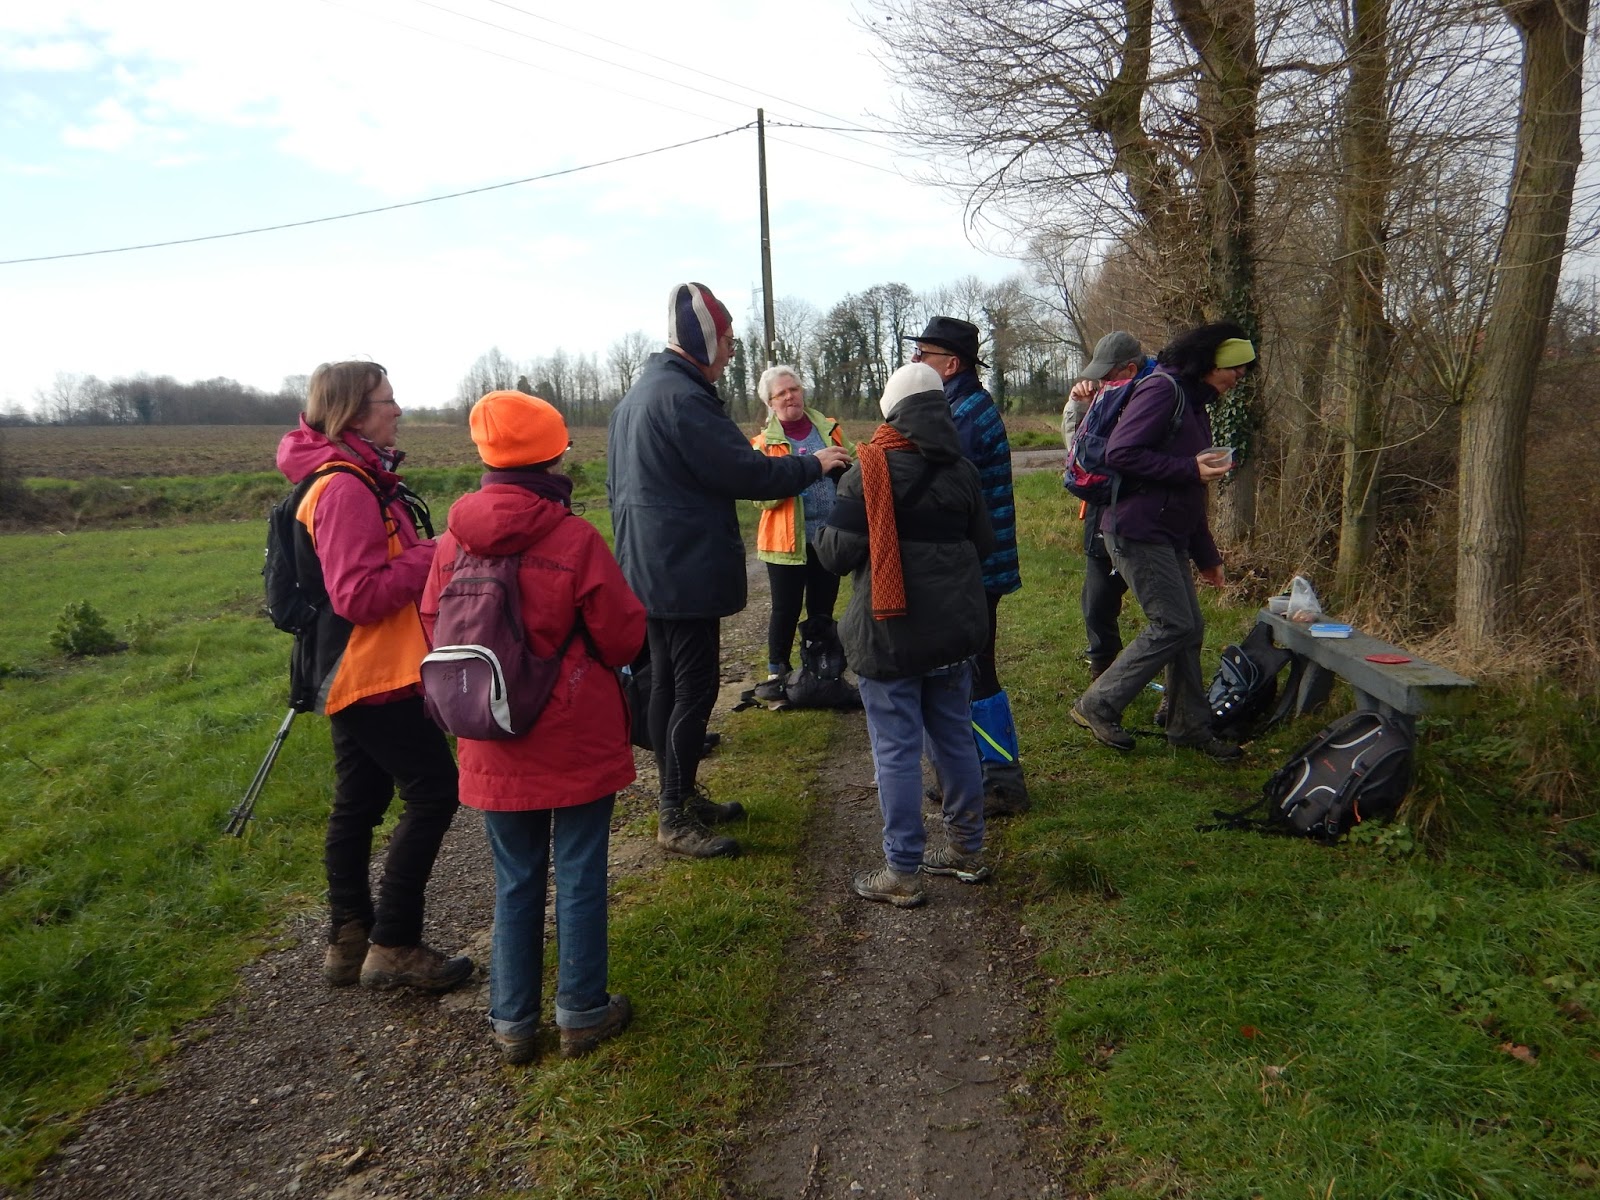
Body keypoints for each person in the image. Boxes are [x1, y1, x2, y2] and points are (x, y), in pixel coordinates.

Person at [421, 390, 645, 1065]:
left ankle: (513, 1022)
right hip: (574, 734)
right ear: (552, 456)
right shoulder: (574, 538)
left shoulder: (450, 542)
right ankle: (581, 1011)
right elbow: (623, 636)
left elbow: (432, 626)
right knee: (579, 872)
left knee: (515, 879)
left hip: (491, 734)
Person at [607, 283, 852, 859]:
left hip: (647, 567)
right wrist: (812, 463)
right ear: (705, 339)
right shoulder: (685, 400)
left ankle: (681, 794)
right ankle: (674, 813)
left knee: (666, 683)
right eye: (728, 340)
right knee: (693, 688)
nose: (732, 351)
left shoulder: (639, 395)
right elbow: (746, 473)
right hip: (682, 569)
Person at [275, 360, 471, 993]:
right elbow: (358, 596)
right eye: (388, 401)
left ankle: (349, 941)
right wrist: (433, 553)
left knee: (358, 803)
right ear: (354, 415)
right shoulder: (344, 488)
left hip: (355, 669)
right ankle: (394, 944)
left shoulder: (349, 477)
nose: (398, 410)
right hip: (371, 670)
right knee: (434, 791)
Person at [817, 363, 996, 907]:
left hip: (889, 635)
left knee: (895, 750)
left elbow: (835, 555)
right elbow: (983, 544)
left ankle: (902, 870)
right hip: (954, 632)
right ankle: (966, 849)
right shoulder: (962, 469)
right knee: (955, 737)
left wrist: (832, 512)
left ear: (890, 410)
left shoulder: (867, 470)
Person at [1069, 322, 1254, 761]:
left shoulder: (1194, 402)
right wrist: (1189, 468)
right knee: (1173, 624)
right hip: (1136, 530)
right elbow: (1121, 452)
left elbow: (1191, 491)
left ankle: (1188, 726)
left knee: (1190, 628)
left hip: (1167, 531)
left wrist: (1206, 555)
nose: (1240, 375)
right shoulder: (1162, 390)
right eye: (1236, 366)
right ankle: (1098, 704)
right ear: (1211, 361)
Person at [904, 317, 1028, 816]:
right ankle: (968, 772)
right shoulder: (958, 406)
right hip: (972, 563)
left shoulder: (964, 415)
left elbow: (938, 481)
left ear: (951, 364)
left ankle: (1002, 782)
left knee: (977, 671)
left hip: (977, 566)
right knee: (962, 669)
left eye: (924, 355)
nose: (915, 362)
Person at [749, 365, 852, 699]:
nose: (790, 396)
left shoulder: (829, 429)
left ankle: (822, 672)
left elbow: (855, 469)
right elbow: (760, 498)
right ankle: (776, 678)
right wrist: (804, 471)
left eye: (793, 389)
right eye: (781, 393)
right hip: (784, 544)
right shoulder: (763, 445)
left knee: (822, 608)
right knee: (785, 609)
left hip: (828, 537)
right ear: (770, 403)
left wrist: (846, 471)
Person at [1068, 331, 1157, 679]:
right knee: (1096, 602)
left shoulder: (1156, 396)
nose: (1101, 382)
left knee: (1165, 612)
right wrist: (1079, 406)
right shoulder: (1102, 397)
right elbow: (1077, 454)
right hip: (1101, 513)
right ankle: (1103, 668)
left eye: (1107, 376)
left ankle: (1174, 680)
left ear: (1130, 370)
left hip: (1144, 517)